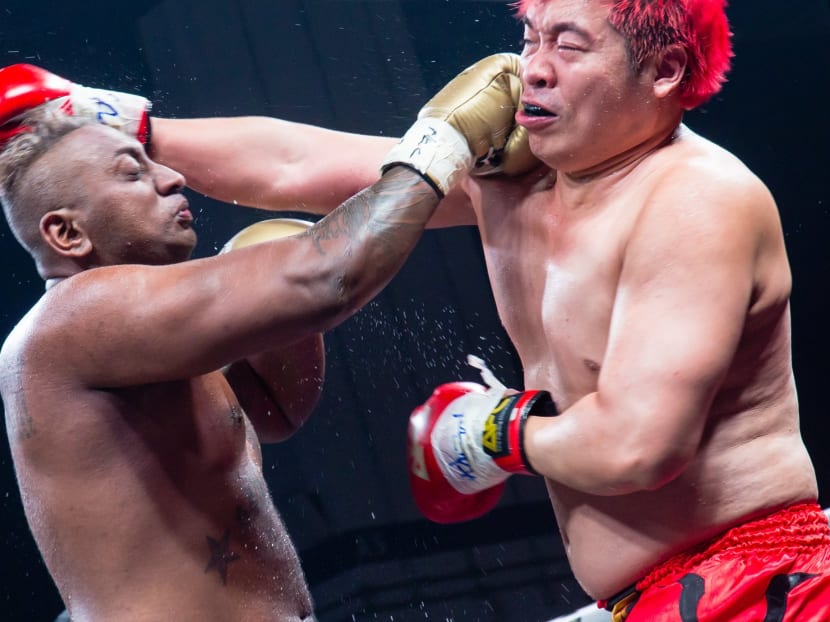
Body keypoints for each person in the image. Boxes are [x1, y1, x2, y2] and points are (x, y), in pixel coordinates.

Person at [9, 1, 830, 620]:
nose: (529, 70)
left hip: (754, 578)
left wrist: (485, 434)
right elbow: (296, 163)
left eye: (568, 46)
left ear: (661, 73)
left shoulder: (695, 201)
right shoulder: (509, 180)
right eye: (531, 37)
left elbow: (637, 448)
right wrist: (115, 117)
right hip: (651, 595)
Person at [0, 56, 532, 621]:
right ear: (65, 232)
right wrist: (442, 141)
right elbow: (324, 278)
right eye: (132, 173)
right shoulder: (77, 315)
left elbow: (274, 410)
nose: (171, 177)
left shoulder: (148, 344)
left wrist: (281, 322)